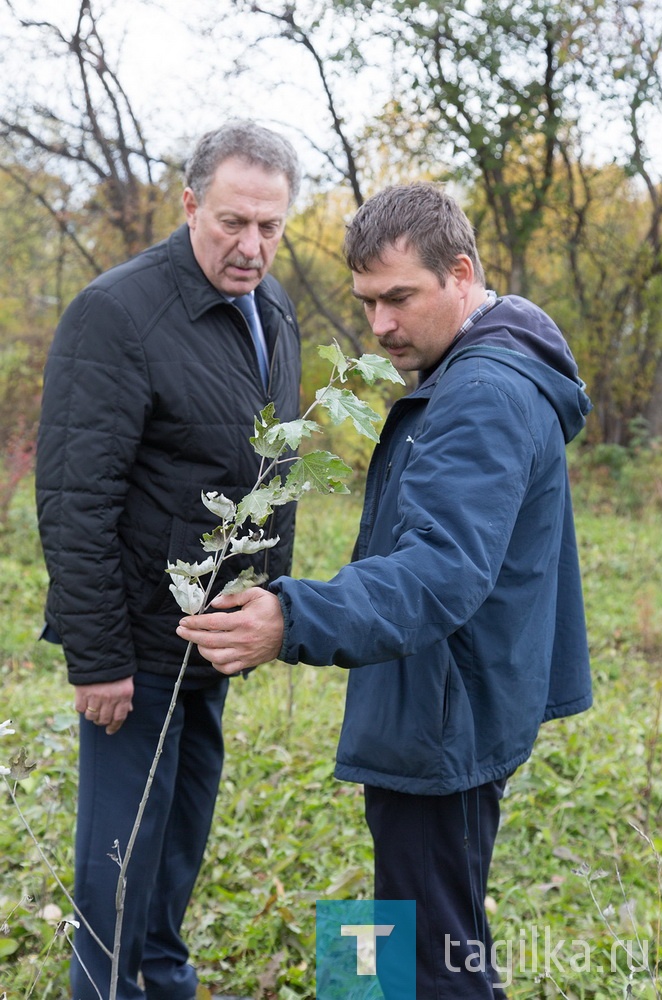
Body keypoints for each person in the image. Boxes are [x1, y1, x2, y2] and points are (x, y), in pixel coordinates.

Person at [177, 183, 593, 999]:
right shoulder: (474, 371)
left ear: (461, 273)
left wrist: (293, 615)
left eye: (399, 298)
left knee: (435, 954)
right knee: (409, 924)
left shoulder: (483, 394)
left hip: (444, 712)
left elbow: (440, 569)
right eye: (367, 302)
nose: (381, 327)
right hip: (438, 700)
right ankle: (357, 989)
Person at [35, 120, 302, 1000]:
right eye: (232, 221)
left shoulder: (274, 311)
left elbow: (269, 469)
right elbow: (77, 499)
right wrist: (99, 658)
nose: (251, 246)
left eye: (270, 226)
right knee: (119, 860)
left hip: (213, 640)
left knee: (179, 840)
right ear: (190, 204)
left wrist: (266, 606)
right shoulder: (118, 314)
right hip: (138, 650)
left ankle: (164, 979)